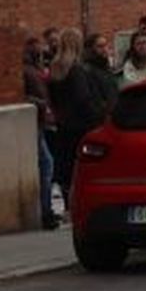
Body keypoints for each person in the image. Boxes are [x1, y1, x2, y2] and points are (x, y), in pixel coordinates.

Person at [48, 28, 119, 202]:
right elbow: (83, 98)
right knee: (81, 166)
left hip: (63, 124)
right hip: (82, 125)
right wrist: (99, 113)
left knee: (66, 164)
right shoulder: (77, 70)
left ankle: (66, 201)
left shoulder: (55, 68)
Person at [23, 36, 60, 229]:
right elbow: (23, 95)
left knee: (47, 164)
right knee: (46, 164)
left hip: (41, 122)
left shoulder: (35, 69)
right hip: (36, 123)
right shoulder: (27, 70)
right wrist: (42, 105)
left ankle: (47, 210)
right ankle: (45, 211)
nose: (41, 49)